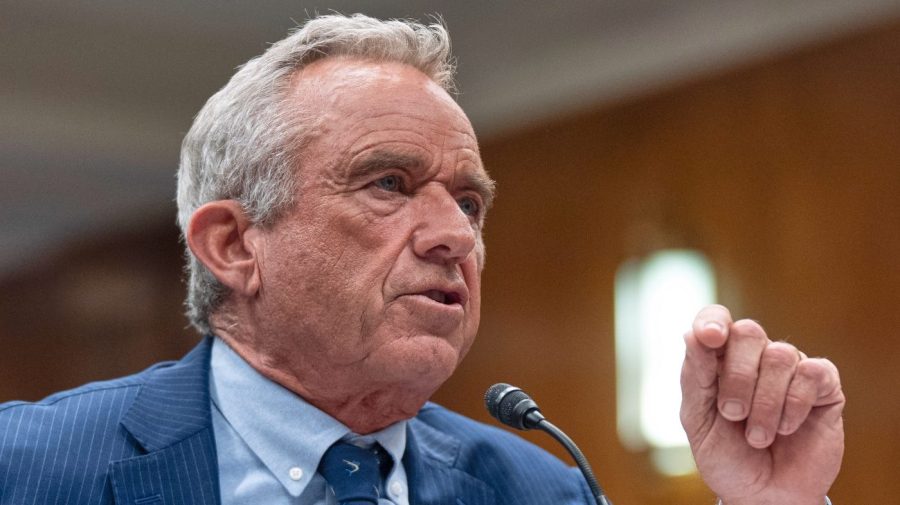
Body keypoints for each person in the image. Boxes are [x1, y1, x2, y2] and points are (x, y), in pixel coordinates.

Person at [0, 14, 843, 505]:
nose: (455, 236)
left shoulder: (540, 490)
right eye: (389, 183)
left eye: (469, 202)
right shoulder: (27, 468)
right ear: (233, 244)